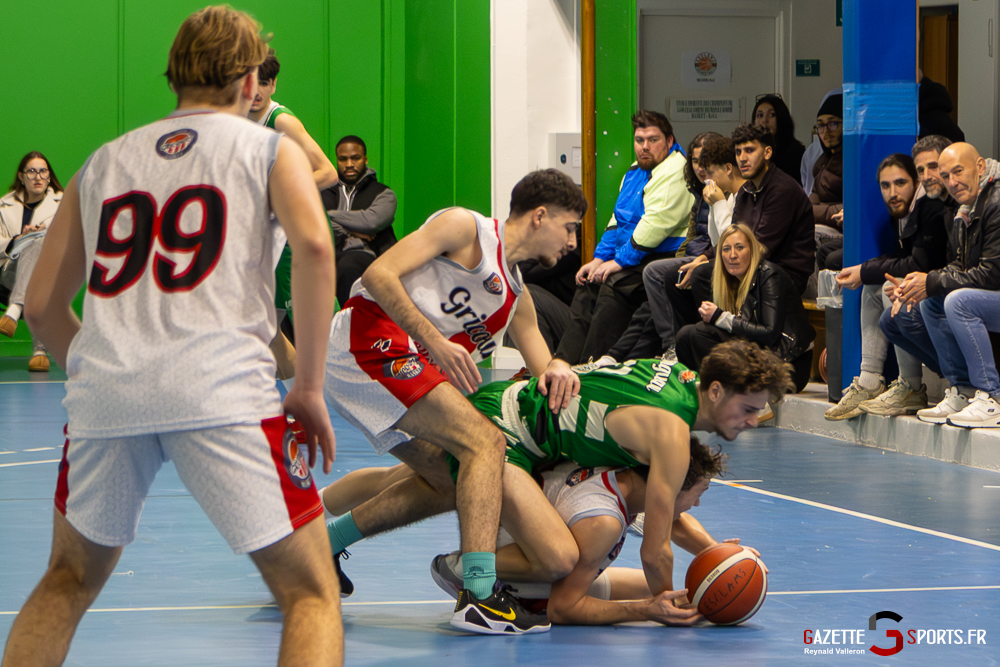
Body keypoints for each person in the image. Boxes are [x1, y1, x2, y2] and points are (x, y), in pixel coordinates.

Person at [1, 7, 342, 667]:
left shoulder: (104, 161)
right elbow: (316, 250)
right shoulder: (271, 149)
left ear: (174, 75)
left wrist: (101, 369)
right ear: (252, 81)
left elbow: (41, 303)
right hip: (221, 390)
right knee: (309, 592)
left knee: (66, 581)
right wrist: (308, 385)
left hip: (107, 398)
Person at [321, 340, 789, 626]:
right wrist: (662, 605)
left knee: (420, 478)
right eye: (747, 409)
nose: (751, 421)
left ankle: (313, 518)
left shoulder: (679, 377)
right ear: (715, 390)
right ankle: (467, 575)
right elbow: (656, 546)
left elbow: (665, 513)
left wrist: (711, 555)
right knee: (541, 546)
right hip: (511, 430)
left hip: (520, 415)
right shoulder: (672, 434)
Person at [323, 169, 585, 635]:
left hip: (397, 364)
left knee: (454, 478)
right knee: (484, 444)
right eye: (569, 228)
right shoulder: (466, 229)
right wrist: (433, 340)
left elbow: (545, 367)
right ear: (540, 216)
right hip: (368, 338)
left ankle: (327, 542)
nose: (571, 242)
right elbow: (376, 273)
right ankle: (480, 595)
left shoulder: (516, 295)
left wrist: (561, 367)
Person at [827, 140, 955, 420]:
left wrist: (864, 271)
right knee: (875, 287)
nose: (893, 192)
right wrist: (865, 269)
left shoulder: (932, 207)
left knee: (891, 287)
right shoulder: (906, 210)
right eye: (886, 186)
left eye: (901, 183)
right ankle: (870, 379)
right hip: (938, 290)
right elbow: (904, 255)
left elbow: (917, 264)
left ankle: (911, 385)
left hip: (946, 295)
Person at [553, 110, 693, 364]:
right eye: (639, 140)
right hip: (634, 257)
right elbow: (618, 219)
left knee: (614, 285)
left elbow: (653, 226)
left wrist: (617, 263)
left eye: (653, 140)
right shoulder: (635, 170)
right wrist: (599, 259)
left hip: (662, 260)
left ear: (669, 141)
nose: (645, 147)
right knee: (589, 282)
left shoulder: (677, 170)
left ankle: (592, 366)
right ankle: (564, 363)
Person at [882, 143, 1000, 428]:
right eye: (946, 176)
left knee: (956, 302)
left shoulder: (996, 203)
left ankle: (992, 397)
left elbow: (993, 274)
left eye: (958, 172)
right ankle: (964, 390)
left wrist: (932, 281)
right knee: (912, 307)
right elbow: (960, 267)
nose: (952, 182)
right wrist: (916, 283)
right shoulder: (966, 208)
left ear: (980, 167)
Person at [603, 135, 746, 363]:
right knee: (652, 289)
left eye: (708, 167)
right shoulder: (702, 195)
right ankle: (618, 356)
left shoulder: (731, 195)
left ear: (727, 168)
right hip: (701, 257)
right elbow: (701, 238)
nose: (702, 171)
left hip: (720, 261)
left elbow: (727, 242)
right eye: (697, 163)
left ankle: (665, 351)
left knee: (659, 279)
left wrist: (701, 257)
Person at [676, 224, 814, 391]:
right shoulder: (732, 280)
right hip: (757, 356)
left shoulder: (770, 276)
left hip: (786, 367)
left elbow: (770, 334)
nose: (732, 255)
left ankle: (735, 397)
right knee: (685, 336)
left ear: (752, 250)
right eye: (726, 249)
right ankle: (699, 393)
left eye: (739, 248)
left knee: (700, 334)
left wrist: (720, 317)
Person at [0, 152, 64, 371]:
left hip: (51, 272)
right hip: (8, 272)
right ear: (21, 176)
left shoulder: (63, 204)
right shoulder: (3, 206)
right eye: (31, 171)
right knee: (33, 244)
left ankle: (14, 310)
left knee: (40, 243)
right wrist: (17, 239)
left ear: (49, 177)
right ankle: (39, 351)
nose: (38, 176)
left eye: (43, 171)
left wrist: (40, 236)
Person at [322, 135, 398, 306]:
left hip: (366, 255)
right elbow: (309, 221)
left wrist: (327, 215)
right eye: (343, 159)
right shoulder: (323, 191)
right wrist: (350, 230)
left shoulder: (384, 194)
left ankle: (350, 323)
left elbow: (371, 222)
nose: (349, 164)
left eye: (355, 158)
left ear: (365, 159)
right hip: (325, 252)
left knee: (348, 266)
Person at [752, 95, 805, 186]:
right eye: (760, 115)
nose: (764, 121)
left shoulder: (795, 152)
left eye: (772, 115)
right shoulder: (750, 150)